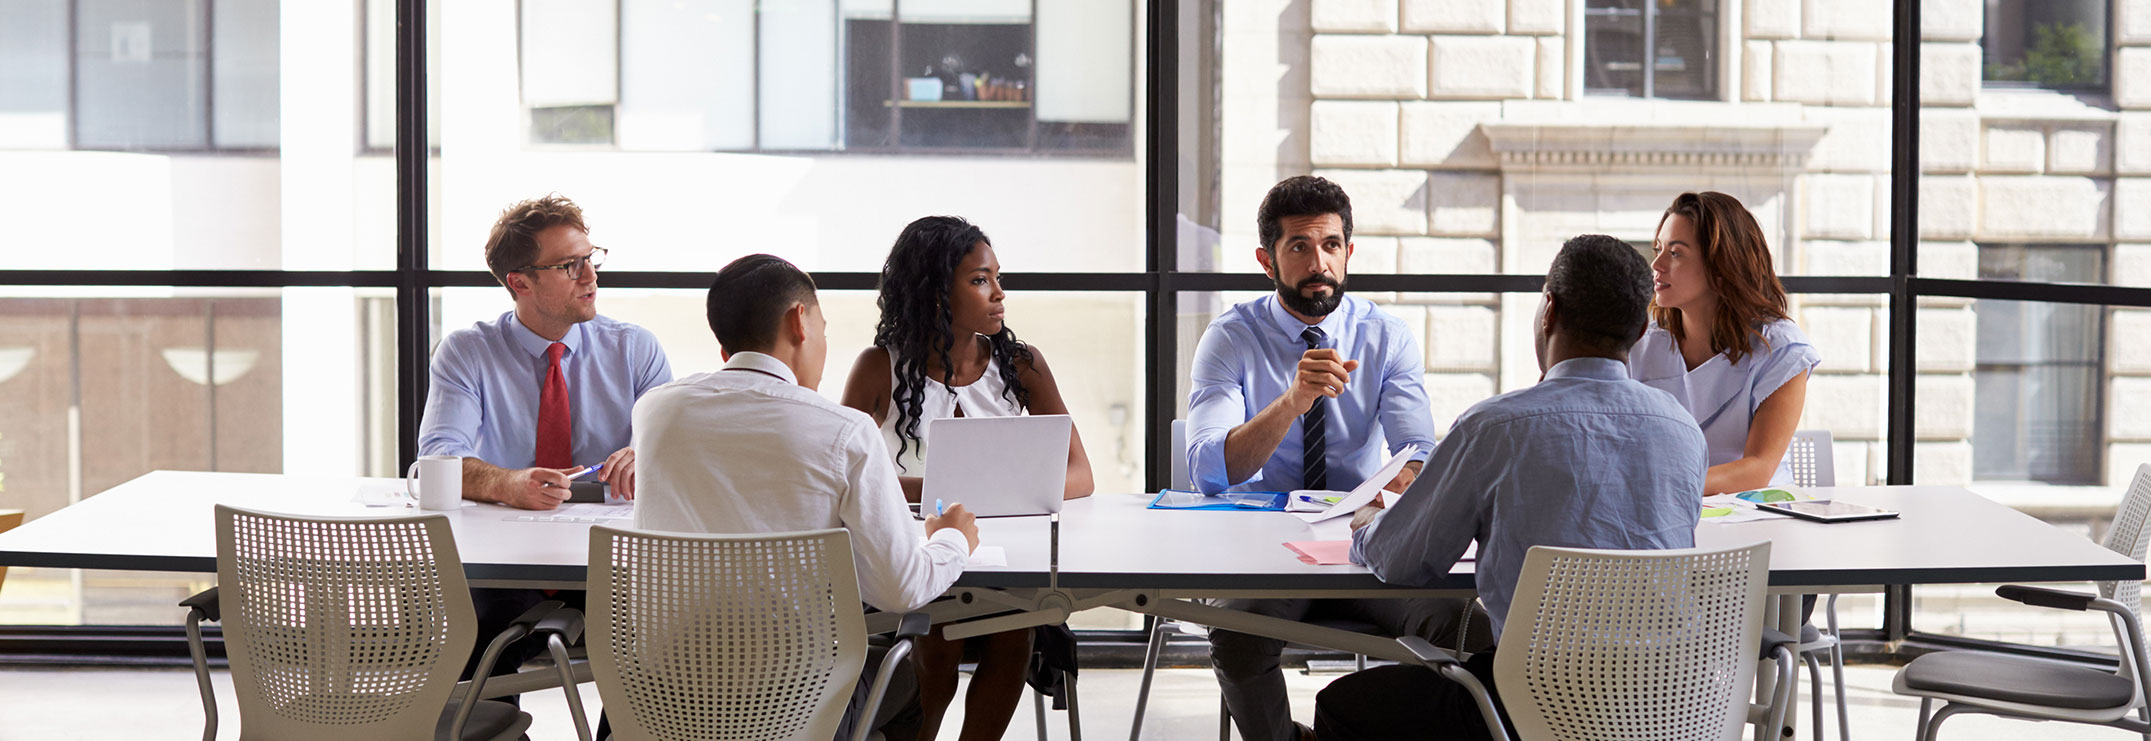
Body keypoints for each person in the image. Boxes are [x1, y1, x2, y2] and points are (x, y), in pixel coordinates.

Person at [1311, 234, 1709, 741]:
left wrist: (1369, 525)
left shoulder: (1494, 428)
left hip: (1532, 704)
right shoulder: (1681, 429)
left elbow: (1400, 560)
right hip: (1667, 704)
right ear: (1641, 327)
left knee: (1344, 706)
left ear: (1549, 310)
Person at [1185, 175, 1487, 741]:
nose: (1317, 261)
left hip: (1364, 545)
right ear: (1266, 261)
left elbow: (1419, 448)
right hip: (1267, 551)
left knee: (1465, 623)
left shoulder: (1385, 335)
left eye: (1330, 245)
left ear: (1349, 252)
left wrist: (1404, 479)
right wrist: (1292, 401)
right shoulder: (1229, 338)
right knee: (1236, 635)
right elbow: (1208, 470)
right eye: (1298, 246)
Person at [633, 253, 980, 741]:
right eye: (822, 327)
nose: (822, 343)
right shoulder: (846, 431)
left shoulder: (655, 412)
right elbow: (900, 588)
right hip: (795, 704)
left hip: (660, 699)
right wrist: (952, 540)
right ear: (799, 321)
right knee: (909, 679)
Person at [840, 215, 1095, 741]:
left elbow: (1080, 473)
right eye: (980, 280)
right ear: (935, 293)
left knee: (1016, 627)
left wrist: (991, 493)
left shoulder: (1021, 365)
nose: (999, 293)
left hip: (1006, 555)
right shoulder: (877, 368)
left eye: (997, 277)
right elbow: (841, 477)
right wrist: (943, 493)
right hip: (911, 551)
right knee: (941, 633)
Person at [416, 194, 671, 705]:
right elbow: (439, 460)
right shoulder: (468, 352)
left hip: (616, 563)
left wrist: (650, 456)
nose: (590, 275)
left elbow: (679, 451)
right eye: (569, 265)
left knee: (658, 661)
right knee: (467, 651)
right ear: (520, 282)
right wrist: (510, 484)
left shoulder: (635, 348)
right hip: (503, 561)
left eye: (590, 258)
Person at [1629, 191, 1821, 494]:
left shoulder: (1782, 350)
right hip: (1665, 509)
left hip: (1760, 515)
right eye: (1658, 249)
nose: (1657, 264)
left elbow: (1758, 467)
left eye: (1675, 253)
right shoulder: (1641, 345)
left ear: (1721, 267)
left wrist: (1661, 486)